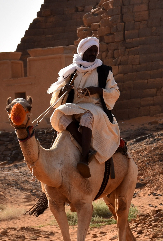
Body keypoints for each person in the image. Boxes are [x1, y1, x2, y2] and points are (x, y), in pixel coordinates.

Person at [47, 37, 120, 178]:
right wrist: (65, 90)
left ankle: (84, 159)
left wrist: (97, 90)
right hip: (75, 107)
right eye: (90, 51)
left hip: (95, 108)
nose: (93, 53)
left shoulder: (104, 71)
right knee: (59, 115)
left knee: (87, 118)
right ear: (82, 51)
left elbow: (115, 92)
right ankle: (84, 145)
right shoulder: (72, 72)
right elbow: (58, 95)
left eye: (95, 51)